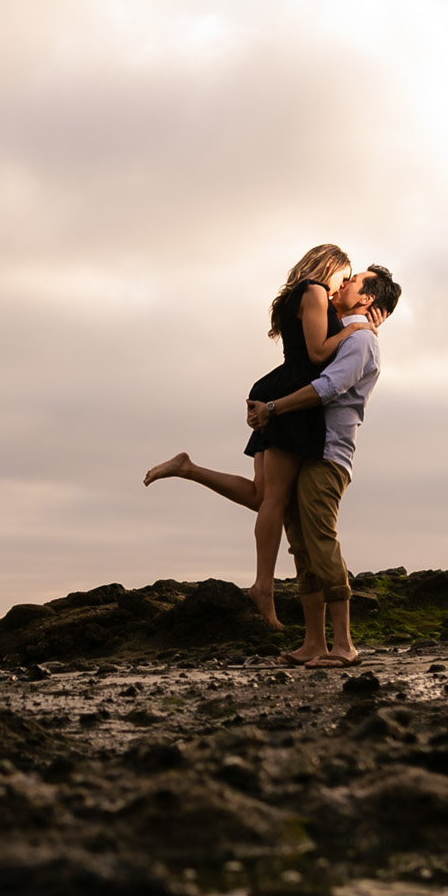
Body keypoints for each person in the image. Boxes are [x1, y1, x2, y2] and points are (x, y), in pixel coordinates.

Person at [145, 245, 359, 630]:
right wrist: (355, 329)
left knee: (262, 496)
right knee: (274, 499)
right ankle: (263, 585)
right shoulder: (312, 291)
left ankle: (188, 468)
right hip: (291, 396)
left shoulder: (294, 296)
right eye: (343, 278)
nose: (339, 289)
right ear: (331, 266)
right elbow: (316, 354)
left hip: (276, 388)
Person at [248, 265, 399, 666]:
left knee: (320, 541)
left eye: (353, 281)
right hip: (308, 447)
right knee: (301, 547)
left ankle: (345, 645)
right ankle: (314, 643)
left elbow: (328, 388)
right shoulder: (343, 334)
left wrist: (273, 408)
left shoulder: (362, 340)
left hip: (329, 453)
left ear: (366, 299)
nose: (343, 283)